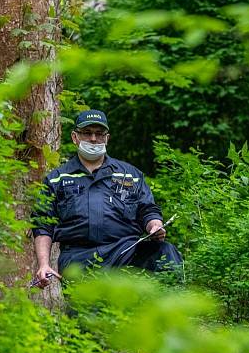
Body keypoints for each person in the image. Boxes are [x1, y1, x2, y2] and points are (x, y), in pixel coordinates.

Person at [31, 109, 182, 287]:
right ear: (75, 137)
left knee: (165, 252)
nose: (93, 138)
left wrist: (154, 225)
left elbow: (147, 209)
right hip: (79, 258)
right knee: (88, 313)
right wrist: (44, 264)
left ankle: (176, 311)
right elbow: (42, 225)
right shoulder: (57, 179)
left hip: (125, 253)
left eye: (99, 133)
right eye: (87, 133)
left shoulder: (130, 175)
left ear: (107, 138)